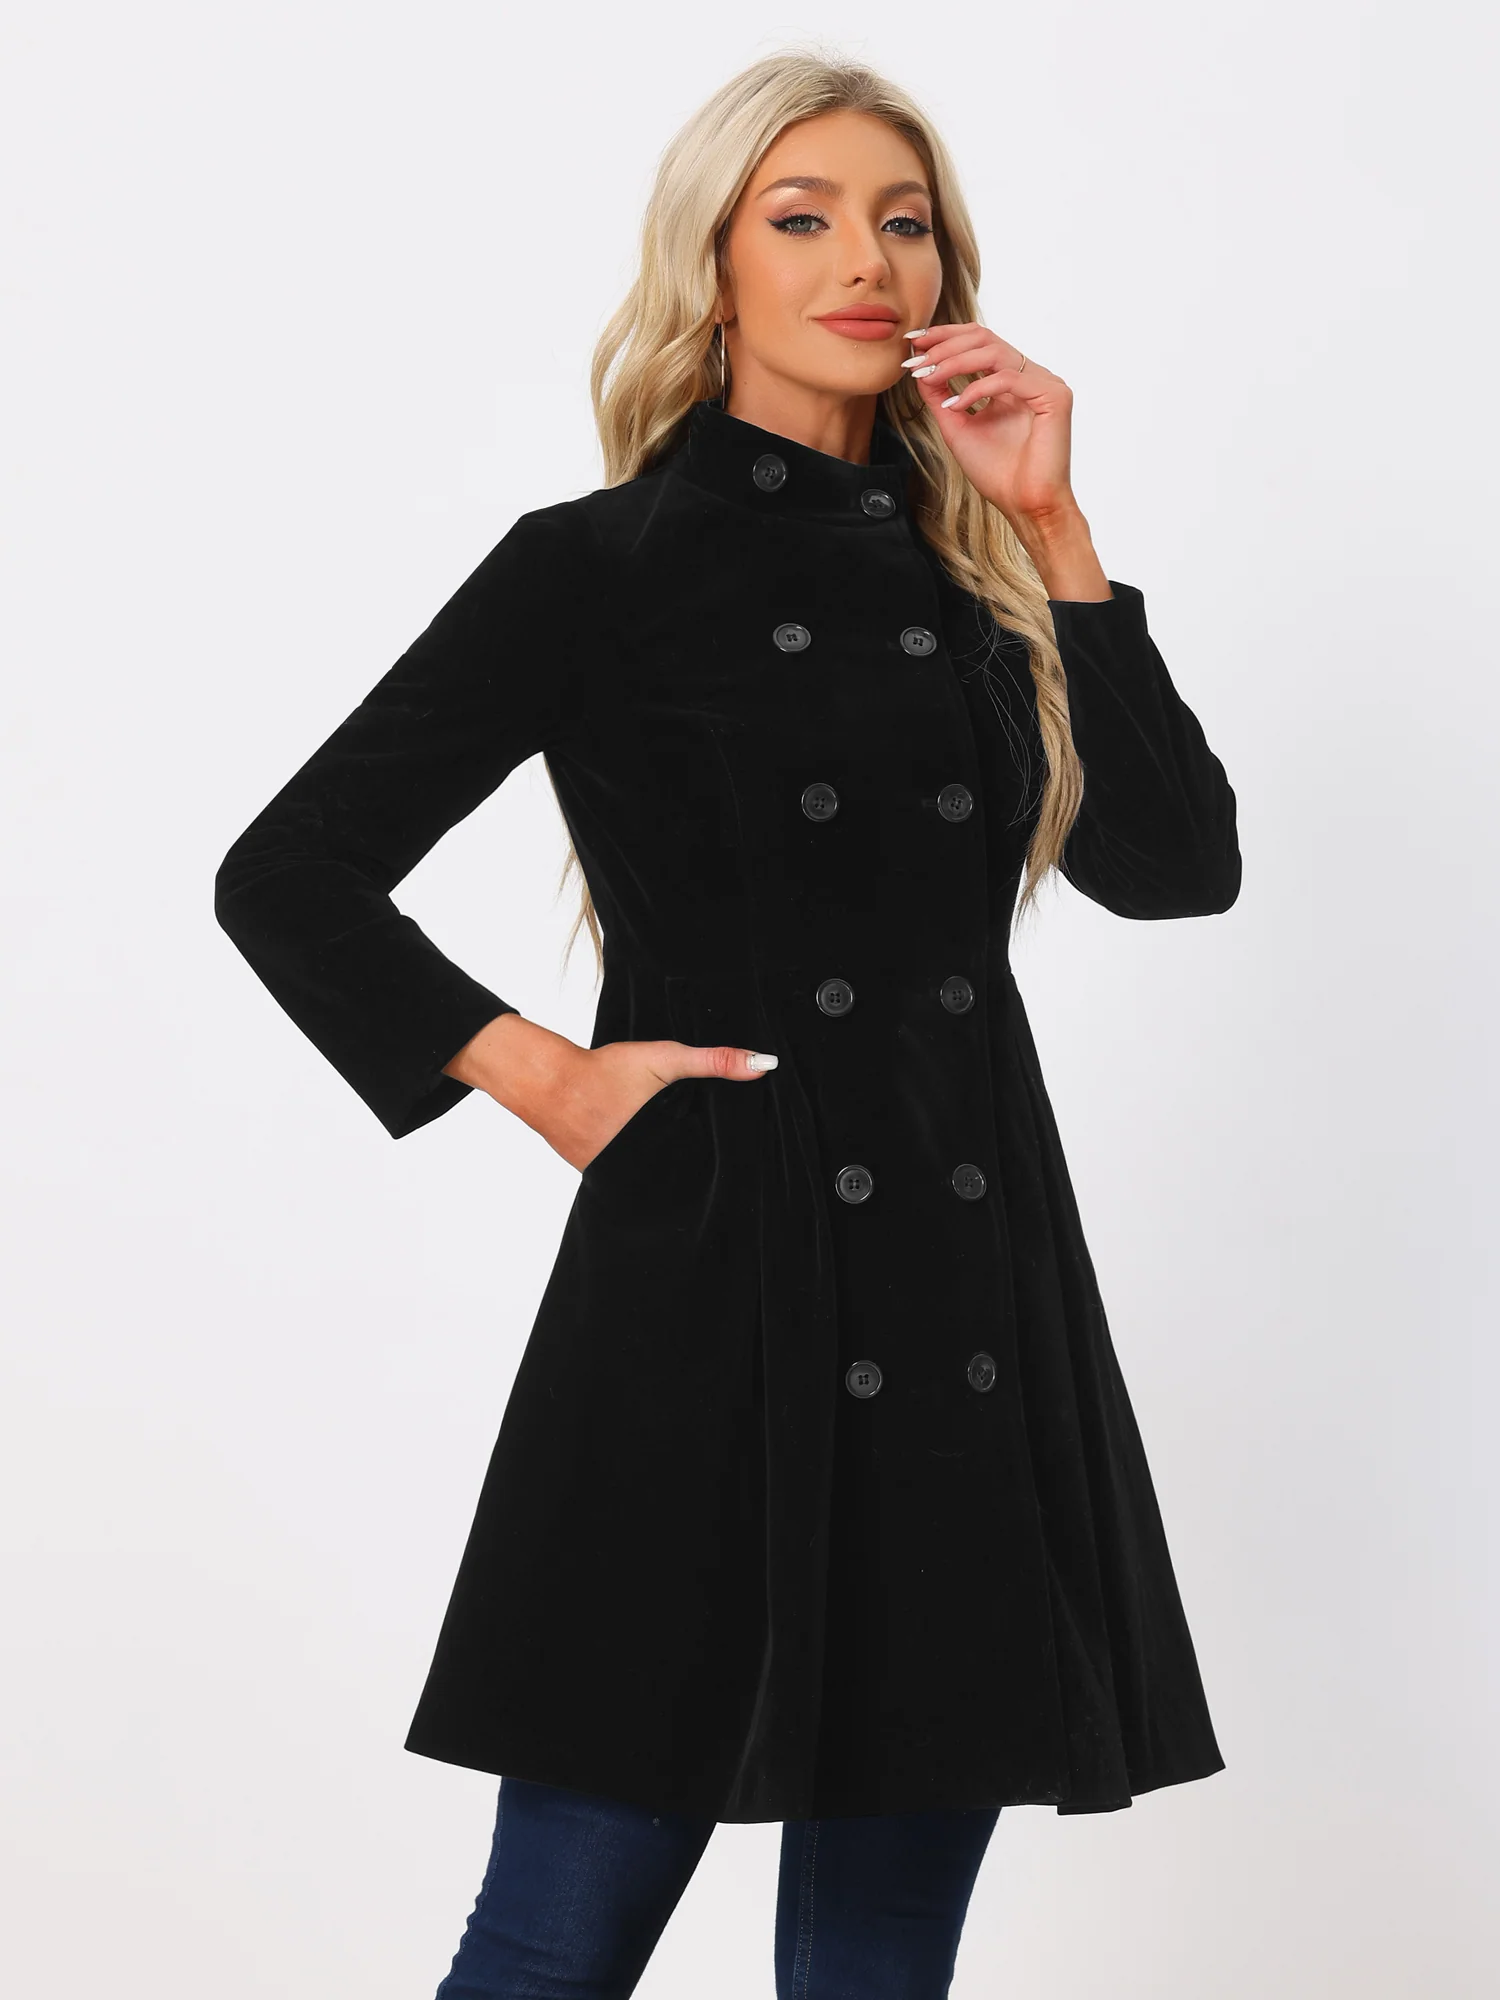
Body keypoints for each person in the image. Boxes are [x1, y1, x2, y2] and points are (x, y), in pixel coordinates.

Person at [214, 48, 1241, 2000]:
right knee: (557, 1938)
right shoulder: (595, 568)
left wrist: (1059, 530)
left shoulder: (979, 577)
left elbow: (1178, 869)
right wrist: (549, 1080)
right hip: (709, 1290)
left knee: (881, 1969)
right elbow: (291, 870)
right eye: (803, 216)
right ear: (714, 263)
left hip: (962, 1304)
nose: (864, 258)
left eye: (902, 221)